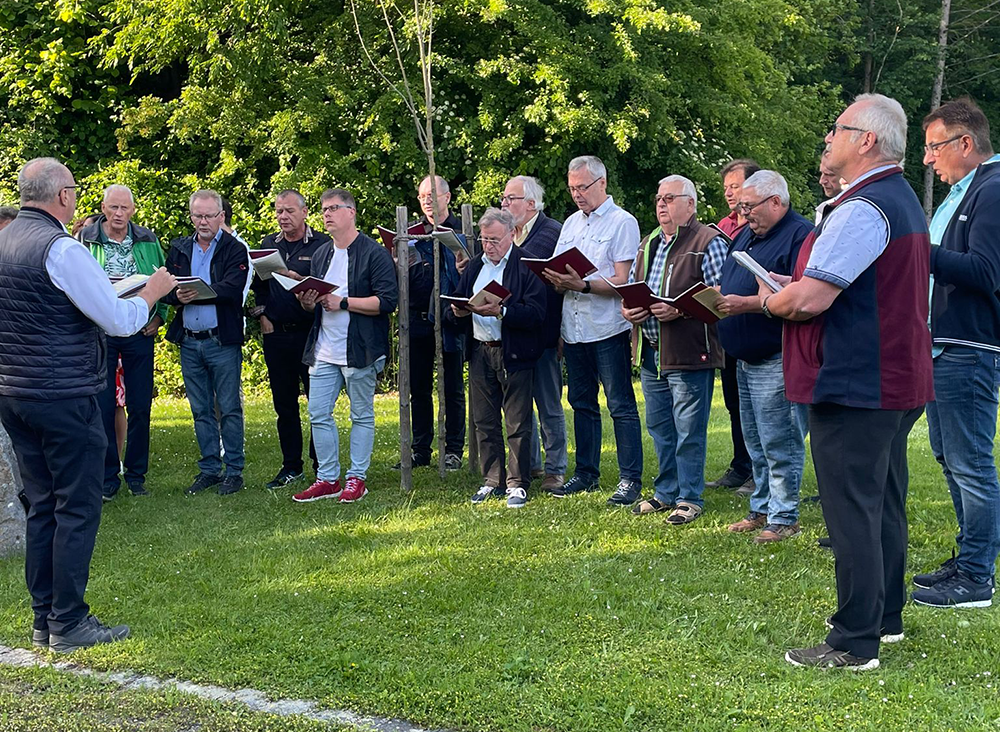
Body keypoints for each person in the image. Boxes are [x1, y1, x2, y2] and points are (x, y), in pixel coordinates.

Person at [768, 95, 933, 670]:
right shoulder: (901, 199)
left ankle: (854, 640)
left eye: (836, 129)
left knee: (852, 510)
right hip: (892, 377)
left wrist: (768, 300)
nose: (827, 139)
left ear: (867, 139)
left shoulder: (865, 207)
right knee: (882, 501)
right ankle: (883, 619)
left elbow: (811, 297)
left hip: (858, 380)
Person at [0, 157, 176, 652]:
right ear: (61, 196)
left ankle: (43, 617)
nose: (77, 197)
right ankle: (69, 621)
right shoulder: (63, 249)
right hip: (63, 393)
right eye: (74, 189)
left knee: (40, 504)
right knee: (75, 505)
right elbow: (119, 321)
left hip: (15, 393)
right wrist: (153, 292)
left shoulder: (5, 240)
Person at [913, 97, 1000, 608]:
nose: (927, 158)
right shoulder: (966, 191)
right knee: (949, 456)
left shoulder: (991, 191)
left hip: (968, 345)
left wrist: (916, 249)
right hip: (941, 344)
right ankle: (969, 555)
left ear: (965, 143)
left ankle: (976, 576)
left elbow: (987, 273)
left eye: (934, 147)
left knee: (971, 463)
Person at [622, 176, 728, 524]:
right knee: (660, 426)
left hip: (689, 350)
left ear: (691, 204)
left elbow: (720, 297)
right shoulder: (649, 242)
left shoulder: (708, 241)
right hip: (652, 349)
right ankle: (666, 492)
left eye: (669, 198)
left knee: (688, 429)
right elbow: (633, 287)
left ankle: (690, 497)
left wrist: (680, 310)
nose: (661, 205)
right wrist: (629, 310)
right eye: (658, 198)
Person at [716, 171, 812, 542]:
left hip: (776, 353)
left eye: (749, 207)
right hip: (743, 354)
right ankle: (761, 508)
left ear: (776, 202)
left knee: (780, 439)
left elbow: (801, 295)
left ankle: (784, 516)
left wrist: (748, 303)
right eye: (741, 207)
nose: (744, 214)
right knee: (754, 439)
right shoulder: (746, 234)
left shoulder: (800, 235)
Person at [543, 155, 643, 505]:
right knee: (581, 402)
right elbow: (560, 270)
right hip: (574, 327)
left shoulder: (622, 222)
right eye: (572, 189)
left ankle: (630, 479)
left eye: (582, 187)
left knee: (620, 404)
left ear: (602, 183)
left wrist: (582, 284)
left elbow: (623, 280)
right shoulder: (570, 223)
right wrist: (556, 279)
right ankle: (586, 473)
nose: (577, 195)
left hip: (607, 327)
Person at [291, 189, 398, 504]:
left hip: (360, 349)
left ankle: (357, 479)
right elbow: (318, 307)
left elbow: (387, 301)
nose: (326, 214)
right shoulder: (322, 253)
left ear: (351, 212)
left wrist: (345, 302)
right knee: (318, 412)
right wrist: (308, 302)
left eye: (333, 208)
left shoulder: (373, 253)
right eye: (323, 209)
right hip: (324, 349)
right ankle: (327, 479)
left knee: (361, 414)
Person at [448, 208, 546, 508]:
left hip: (513, 351)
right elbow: (460, 299)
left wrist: (502, 311)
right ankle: (493, 479)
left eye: (494, 240)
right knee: (484, 420)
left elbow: (537, 313)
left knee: (517, 420)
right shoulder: (476, 265)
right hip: (480, 349)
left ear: (512, 235)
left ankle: (518, 483)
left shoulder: (526, 266)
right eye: (484, 239)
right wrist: (458, 310)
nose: (488, 245)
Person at [79, 185, 168, 501]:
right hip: (101, 331)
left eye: (124, 209)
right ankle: (107, 478)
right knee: (102, 406)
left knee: (140, 405)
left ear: (132, 210)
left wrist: (160, 318)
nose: (118, 215)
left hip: (139, 330)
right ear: (103, 207)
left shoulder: (147, 239)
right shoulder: (86, 239)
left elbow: (164, 280)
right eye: (113, 208)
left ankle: (136, 475)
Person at [163, 189, 253, 496]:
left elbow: (232, 287)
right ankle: (210, 469)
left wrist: (197, 292)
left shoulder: (234, 249)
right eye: (197, 216)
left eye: (209, 216)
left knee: (228, 408)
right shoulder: (179, 248)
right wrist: (176, 296)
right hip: (189, 341)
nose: (202, 222)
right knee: (200, 409)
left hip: (221, 341)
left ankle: (235, 471)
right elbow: (164, 287)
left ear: (221, 217)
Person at [251, 190, 331, 490]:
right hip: (277, 335)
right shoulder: (268, 246)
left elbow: (328, 287)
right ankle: (291, 466)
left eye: (289, 211)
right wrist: (263, 316)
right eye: (278, 211)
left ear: (305, 212)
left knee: (317, 405)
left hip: (312, 335)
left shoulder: (322, 244)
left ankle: (322, 466)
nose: (283, 217)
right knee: (284, 405)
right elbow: (259, 288)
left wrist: (301, 283)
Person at [500, 175, 567, 491]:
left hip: (542, 332)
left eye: (510, 198)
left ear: (531, 204)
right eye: (503, 198)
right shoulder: (512, 234)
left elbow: (523, 268)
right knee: (519, 404)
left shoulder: (549, 232)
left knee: (548, 403)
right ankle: (531, 464)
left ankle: (556, 469)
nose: (504, 204)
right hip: (517, 332)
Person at [399, 175, 467, 471]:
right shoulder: (412, 235)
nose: (427, 200)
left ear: (447, 197)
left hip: (450, 318)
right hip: (416, 319)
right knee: (419, 388)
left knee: (452, 386)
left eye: (432, 195)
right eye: (422, 196)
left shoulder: (463, 233)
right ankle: (421, 449)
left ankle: (453, 448)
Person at [707, 159, 760, 494]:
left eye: (735, 186)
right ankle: (741, 465)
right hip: (725, 326)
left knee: (759, 404)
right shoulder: (722, 227)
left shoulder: (758, 226)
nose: (729, 192)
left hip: (754, 324)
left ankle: (760, 470)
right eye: (726, 187)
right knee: (733, 401)